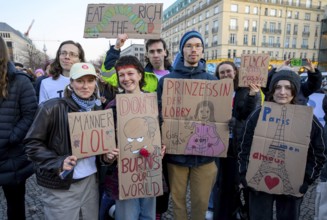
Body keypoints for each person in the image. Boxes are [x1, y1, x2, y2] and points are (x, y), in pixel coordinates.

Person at [24, 62, 111, 220]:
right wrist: (58, 162)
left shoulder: (98, 110)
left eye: (90, 81)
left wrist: (106, 156)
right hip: (61, 186)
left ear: (95, 83)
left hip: (90, 183)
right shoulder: (51, 108)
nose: (85, 86)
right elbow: (32, 145)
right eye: (80, 81)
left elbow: (98, 149)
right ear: (71, 83)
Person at [238, 69, 327, 220]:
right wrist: (244, 171)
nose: (282, 92)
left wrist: (306, 179)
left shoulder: (308, 120)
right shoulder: (258, 114)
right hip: (259, 179)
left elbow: (319, 152)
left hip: (293, 181)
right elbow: (244, 145)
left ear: (295, 90)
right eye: (278, 87)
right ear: (272, 90)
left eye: (288, 87)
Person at [157, 30, 218, 220]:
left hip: (205, 157)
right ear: (182, 50)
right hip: (177, 156)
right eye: (189, 46)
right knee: (178, 202)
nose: (194, 49)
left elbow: (219, 116)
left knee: (201, 202)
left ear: (202, 51)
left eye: (198, 46)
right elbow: (159, 114)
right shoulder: (167, 81)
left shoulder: (213, 81)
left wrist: (226, 123)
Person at [104, 55, 166, 220]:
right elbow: (106, 145)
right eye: (121, 75)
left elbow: (161, 130)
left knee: (148, 216)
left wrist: (162, 146)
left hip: (150, 169)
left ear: (140, 75)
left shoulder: (154, 103)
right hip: (124, 174)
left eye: (130, 73)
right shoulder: (112, 107)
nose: (126, 78)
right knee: (128, 217)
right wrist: (109, 155)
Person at [211, 61, 262, 220]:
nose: (225, 75)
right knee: (221, 183)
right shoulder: (215, 92)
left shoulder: (247, 91)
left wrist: (253, 96)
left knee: (236, 183)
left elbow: (250, 115)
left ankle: (239, 213)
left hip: (237, 145)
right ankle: (222, 213)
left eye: (228, 71)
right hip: (219, 144)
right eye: (222, 73)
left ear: (235, 72)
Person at [0, 36, 38, 220]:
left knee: (15, 208)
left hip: (12, 156)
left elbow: (31, 113)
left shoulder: (20, 81)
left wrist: (11, 137)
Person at [101, 34, 172, 92]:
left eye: (159, 51)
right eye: (152, 51)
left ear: (165, 52)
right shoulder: (139, 77)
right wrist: (116, 47)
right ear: (147, 54)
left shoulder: (178, 75)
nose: (156, 55)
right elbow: (108, 75)